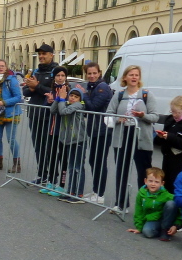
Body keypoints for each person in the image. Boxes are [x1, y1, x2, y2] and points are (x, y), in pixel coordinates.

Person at [106, 65, 159, 213]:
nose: (134, 77)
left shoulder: (147, 95)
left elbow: (155, 116)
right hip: (122, 135)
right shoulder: (119, 95)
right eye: (131, 75)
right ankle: (121, 204)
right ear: (125, 77)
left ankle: (145, 204)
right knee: (121, 170)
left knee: (144, 172)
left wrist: (143, 116)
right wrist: (118, 119)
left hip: (141, 137)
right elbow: (108, 115)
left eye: (136, 75)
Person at [75, 62, 113, 205]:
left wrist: (84, 95)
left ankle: (100, 194)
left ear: (99, 73)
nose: (91, 76)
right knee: (93, 160)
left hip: (103, 130)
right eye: (89, 73)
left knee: (99, 162)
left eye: (94, 73)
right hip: (95, 130)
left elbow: (94, 107)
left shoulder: (102, 87)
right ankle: (96, 191)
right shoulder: (93, 86)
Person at [22, 43, 59, 184]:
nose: (41, 56)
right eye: (40, 54)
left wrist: (36, 86)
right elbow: (25, 92)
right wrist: (32, 88)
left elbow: (55, 92)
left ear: (51, 55)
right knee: (38, 146)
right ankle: (41, 174)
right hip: (35, 114)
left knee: (49, 147)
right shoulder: (36, 72)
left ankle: (52, 177)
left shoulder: (56, 72)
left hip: (49, 116)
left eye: (44, 54)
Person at [51, 86, 87, 203]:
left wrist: (62, 99)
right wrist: (58, 99)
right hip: (68, 140)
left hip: (78, 140)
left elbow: (63, 112)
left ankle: (78, 194)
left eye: (76, 97)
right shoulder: (65, 103)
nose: (72, 98)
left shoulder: (78, 105)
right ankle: (71, 191)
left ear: (80, 99)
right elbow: (53, 110)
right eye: (71, 95)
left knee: (78, 167)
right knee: (71, 167)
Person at [127, 167, 182, 241]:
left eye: (156, 182)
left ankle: (166, 229)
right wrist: (139, 227)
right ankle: (161, 230)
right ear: (145, 181)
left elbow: (181, 208)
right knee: (147, 232)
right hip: (152, 219)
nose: (153, 184)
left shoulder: (166, 195)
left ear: (162, 183)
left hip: (165, 218)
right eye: (150, 181)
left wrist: (176, 224)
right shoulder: (141, 194)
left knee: (171, 204)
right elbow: (138, 211)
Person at [156, 95, 182, 194]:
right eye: (172, 111)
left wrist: (170, 137)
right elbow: (159, 141)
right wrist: (160, 137)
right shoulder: (170, 120)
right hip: (167, 157)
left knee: (175, 186)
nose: (174, 115)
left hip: (179, 160)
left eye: (177, 112)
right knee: (165, 185)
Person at [40, 66, 70, 193]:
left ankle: (61, 185)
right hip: (52, 127)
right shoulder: (51, 91)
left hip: (64, 128)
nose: (60, 78)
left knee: (63, 157)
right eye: (58, 75)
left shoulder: (69, 91)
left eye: (62, 75)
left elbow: (68, 108)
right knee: (51, 155)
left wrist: (62, 100)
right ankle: (51, 181)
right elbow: (46, 109)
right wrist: (49, 102)